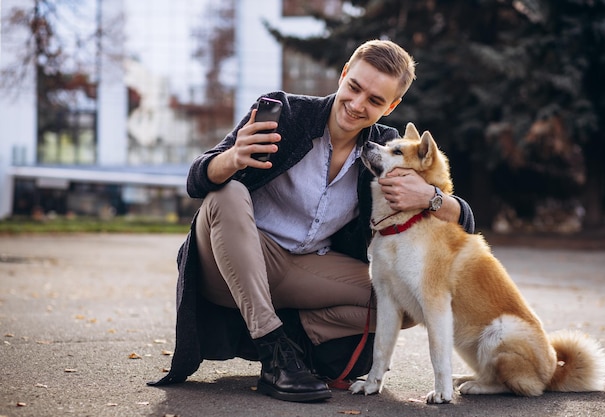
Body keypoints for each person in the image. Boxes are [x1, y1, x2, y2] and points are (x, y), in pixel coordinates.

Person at [148, 39, 475, 402]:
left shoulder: (384, 149)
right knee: (227, 193)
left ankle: (294, 339)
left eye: (375, 100)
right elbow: (197, 180)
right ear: (344, 74)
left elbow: (464, 220)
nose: (357, 104)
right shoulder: (287, 114)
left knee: (409, 299)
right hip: (234, 261)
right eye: (354, 87)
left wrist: (429, 197)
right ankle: (273, 351)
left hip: (307, 270)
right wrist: (234, 158)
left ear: (391, 106)